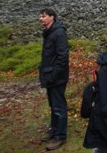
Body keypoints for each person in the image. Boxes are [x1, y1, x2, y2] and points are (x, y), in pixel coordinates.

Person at [38, 8, 69, 151]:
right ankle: (54, 130)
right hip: (49, 76)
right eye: (40, 16)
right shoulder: (49, 32)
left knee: (59, 106)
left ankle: (60, 136)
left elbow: (63, 57)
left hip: (56, 77)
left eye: (43, 16)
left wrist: (54, 75)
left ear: (52, 17)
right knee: (53, 105)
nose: (40, 18)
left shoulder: (59, 33)